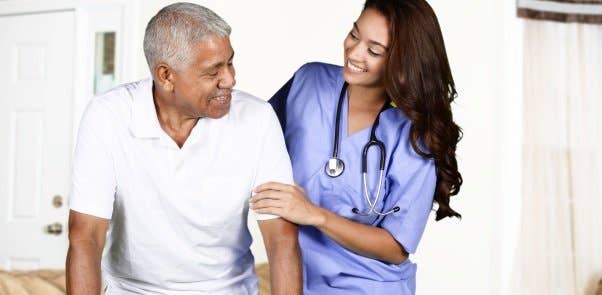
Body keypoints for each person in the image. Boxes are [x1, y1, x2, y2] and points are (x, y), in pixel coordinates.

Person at [66, 3, 301, 294]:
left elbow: (281, 240)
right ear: (165, 76)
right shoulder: (107, 116)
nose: (230, 79)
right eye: (213, 71)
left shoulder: (257, 118)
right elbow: (85, 237)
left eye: (229, 62)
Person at [250, 0, 463, 294]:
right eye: (354, 35)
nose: (354, 52)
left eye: (374, 50)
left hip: (366, 284)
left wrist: (315, 214)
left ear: (403, 61)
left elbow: (396, 247)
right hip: (293, 273)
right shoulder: (309, 82)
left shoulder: (414, 136)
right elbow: (251, 137)